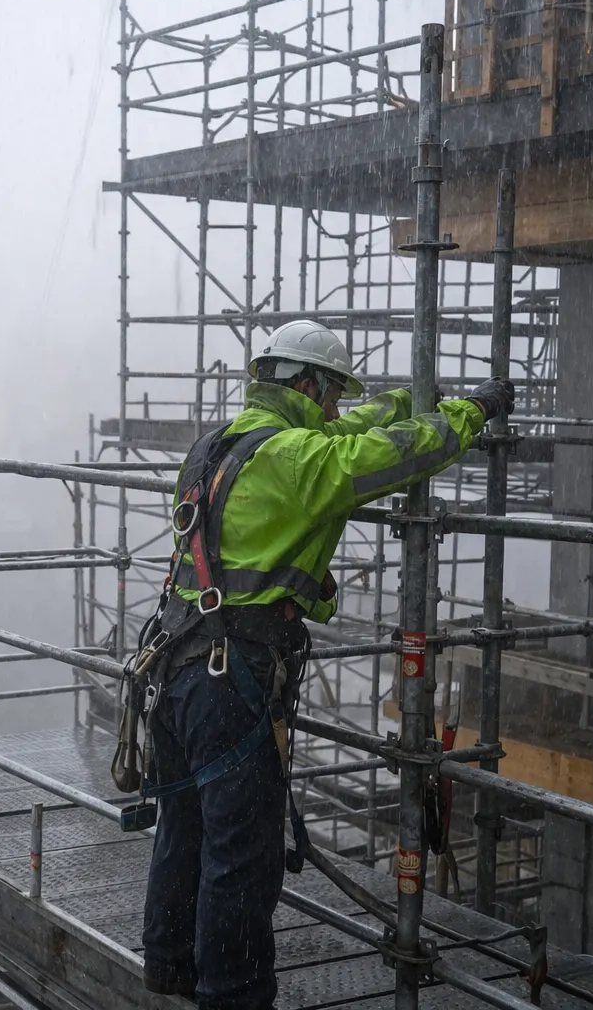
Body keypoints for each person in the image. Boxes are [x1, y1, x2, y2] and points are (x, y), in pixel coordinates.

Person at [138, 319, 514, 1009]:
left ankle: (167, 968)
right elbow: (393, 456)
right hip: (232, 680)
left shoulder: (221, 447)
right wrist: (472, 411)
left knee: (185, 828)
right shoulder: (294, 460)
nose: (338, 410)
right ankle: (236, 997)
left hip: (177, 667)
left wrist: (402, 398)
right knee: (240, 859)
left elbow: (347, 434)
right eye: (333, 395)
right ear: (308, 387)